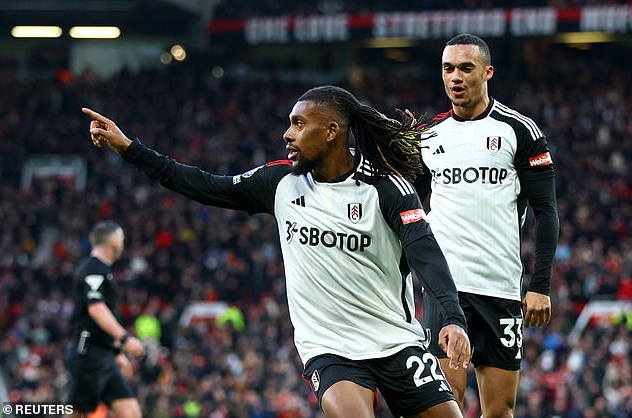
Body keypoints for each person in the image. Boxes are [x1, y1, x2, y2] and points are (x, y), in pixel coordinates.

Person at [82, 85, 471, 418]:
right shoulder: (281, 182)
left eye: (299, 125)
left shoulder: (385, 188)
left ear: (333, 132)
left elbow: (427, 254)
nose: (288, 134)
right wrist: (130, 149)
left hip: (395, 341)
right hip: (330, 349)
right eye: (289, 123)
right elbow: (201, 184)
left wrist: (452, 317)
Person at [415, 34, 559, 418]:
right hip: (446, 289)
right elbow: (409, 212)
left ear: (488, 72)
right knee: (444, 406)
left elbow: (547, 211)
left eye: (466, 68)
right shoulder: (428, 136)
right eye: (448, 68)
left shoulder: (520, 131)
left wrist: (540, 285)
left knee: (500, 411)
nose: (455, 77)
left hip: (500, 287)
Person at [66, 220, 145, 418]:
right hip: (89, 355)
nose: (123, 244)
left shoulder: (102, 271)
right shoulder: (93, 269)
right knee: (77, 413)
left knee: (131, 413)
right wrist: (126, 339)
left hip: (105, 355)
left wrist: (117, 353)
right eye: (122, 239)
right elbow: (96, 309)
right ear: (113, 241)